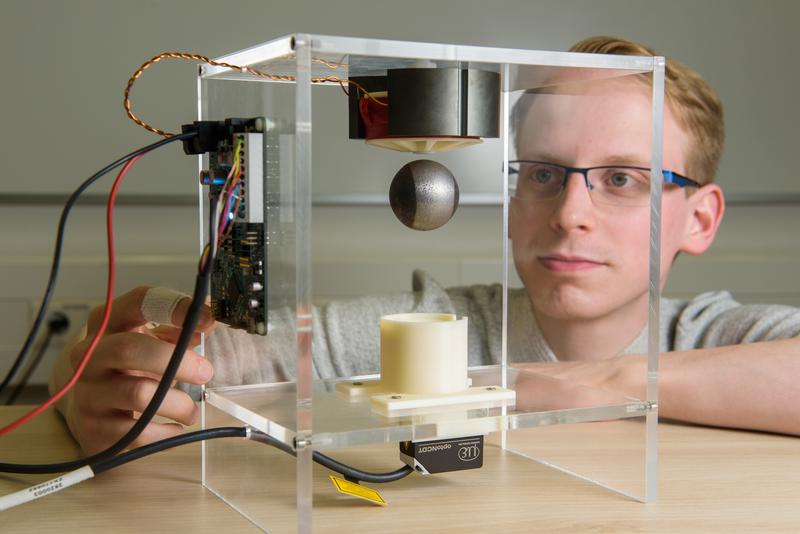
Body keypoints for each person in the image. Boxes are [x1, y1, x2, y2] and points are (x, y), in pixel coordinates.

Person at [49, 36, 800, 455]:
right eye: (543, 173)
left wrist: (596, 384)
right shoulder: (430, 327)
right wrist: (105, 379)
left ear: (699, 219)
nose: (571, 213)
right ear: (510, 202)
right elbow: (160, 363)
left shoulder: (716, 337)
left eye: (623, 179)